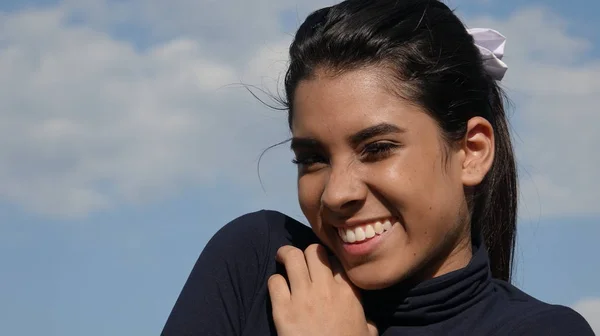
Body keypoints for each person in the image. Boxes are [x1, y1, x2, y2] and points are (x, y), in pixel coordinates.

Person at [161, 0, 595, 335]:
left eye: (377, 148)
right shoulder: (262, 267)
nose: (336, 193)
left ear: (472, 151)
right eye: (313, 158)